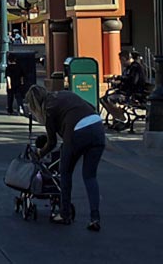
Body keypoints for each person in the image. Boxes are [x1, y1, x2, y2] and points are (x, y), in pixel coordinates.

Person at [26, 84, 106, 231]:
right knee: (90, 176)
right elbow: (89, 106)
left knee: (65, 173)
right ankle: (95, 218)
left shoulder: (48, 109)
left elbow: (52, 143)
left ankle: (65, 214)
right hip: (97, 127)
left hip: (77, 132)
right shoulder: (64, 94)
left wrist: (39, 153)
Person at [102, 51, 148, 128]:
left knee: (108, 99)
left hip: (133, 94)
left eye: (121, 60)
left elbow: (132, 81)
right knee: (103, 99)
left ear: (124, 59)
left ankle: (122, 119)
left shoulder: (136, 67)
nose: (120, 62)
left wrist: (117, 77)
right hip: (126, 92)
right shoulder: (129, 68)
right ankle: (118, 118)